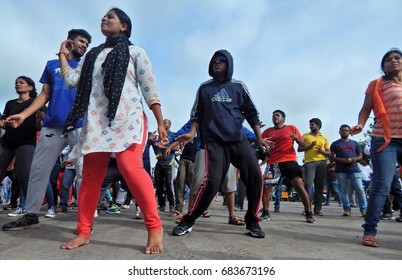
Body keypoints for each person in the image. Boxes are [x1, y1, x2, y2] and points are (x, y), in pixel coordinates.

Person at [56, 8, 166, 254]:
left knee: (130, 168)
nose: (104, 19)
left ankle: (154, 227)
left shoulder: (136, 52)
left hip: (128, 119)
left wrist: (159, 122)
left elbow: (149, 88)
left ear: (124, 26)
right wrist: (64, 55)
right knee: (91, 177)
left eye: (111, 17)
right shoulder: (92, 55)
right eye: (103, 17)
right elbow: (72, 80)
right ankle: (83, 232)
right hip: (97, 122)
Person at [171, 49, 271, 238]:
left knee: (256, 177)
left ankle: (252, 222)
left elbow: (251, 113)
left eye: (222, 61)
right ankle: (189, 219)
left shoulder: (238, 86)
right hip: (214, 141)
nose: (217, 63)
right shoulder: (204, 88)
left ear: (229, 65)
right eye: (215, 61)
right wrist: (192, 133)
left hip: (238, 139)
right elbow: (196, 115)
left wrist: (258, 137)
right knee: (212, 182)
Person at [2, 29, 91, 231]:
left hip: (79, 125)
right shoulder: (52, 65)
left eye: (87, 43)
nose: (85, 46)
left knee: (83, 172)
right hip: (52, 124)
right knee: (38, 170)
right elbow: (44, 95)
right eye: (82, 41)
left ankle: (85, 221)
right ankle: (31, 215)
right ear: (69, 41)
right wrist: (24, 114)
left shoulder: (87, 65)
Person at [351, 48, 402, 247]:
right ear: (383, 66)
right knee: (382, 185)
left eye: (397, 58)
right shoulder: (378, 84)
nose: (393, 61)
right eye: (388, 60)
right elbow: (365, 109)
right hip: (385, 140)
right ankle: (370, 231)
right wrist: (361, 125)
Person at [261, 110, 316, 223]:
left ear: (283, 119)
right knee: (266, 188)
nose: (275, 117)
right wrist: (262, 142)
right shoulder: (267, 131)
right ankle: (265, 212)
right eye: (273, 115)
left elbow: (303, 145)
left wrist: (296, 138)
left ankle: (308, 212)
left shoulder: (291, 128)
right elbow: (258, 142)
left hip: (289, 161)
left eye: (277, 115)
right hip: (273, 163)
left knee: (299, 186)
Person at [0, 76, 41, 217]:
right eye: (16, 82)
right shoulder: (10, 103)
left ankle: (30, 212)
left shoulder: (36, 103)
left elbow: (38, 127)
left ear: (30, 87)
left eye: (21, 82)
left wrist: (40, 119)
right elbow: (5, 124)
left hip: (25, 143)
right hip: (7, 142)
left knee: (24, 176)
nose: (18, 84)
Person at [330, 124, 367, 217]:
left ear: (349, 132)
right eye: (343, 130)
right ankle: (347, 209)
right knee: (343, 191)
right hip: (341, 170)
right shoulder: (335, 144)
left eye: (346, 130)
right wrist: (340, 160)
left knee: (360, 189)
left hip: (354, 169)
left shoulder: (355, 143)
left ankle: (364, 210)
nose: (344, 132)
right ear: (339, 132)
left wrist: (354, 159)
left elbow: (360, 156)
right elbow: (331, 157)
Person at [298, 118, 331, 216]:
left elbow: (329, 153)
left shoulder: (324, 138)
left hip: (322, 162)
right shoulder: (305, 136)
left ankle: (317, 209)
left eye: (312, 124)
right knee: (308, 185)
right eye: (310, 124)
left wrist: (322, 151)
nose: (311, 126)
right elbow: (299, 149)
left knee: (319, 186)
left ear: (318, 125)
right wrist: (310, 146)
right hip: (309, 162)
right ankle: (307, 209)